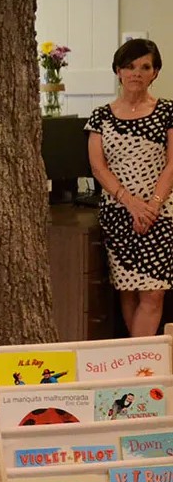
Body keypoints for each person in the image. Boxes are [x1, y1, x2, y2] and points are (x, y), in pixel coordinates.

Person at [86, 38, 173, 338]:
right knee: (129, 290)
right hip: (118, 213)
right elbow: (98, 168)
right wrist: (130, 203)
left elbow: (172, 165)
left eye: (145, 67)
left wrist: (152, 206)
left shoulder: (168, 111)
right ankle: (136, 357)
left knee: (154, 293)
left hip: (159, 214)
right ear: (118, 71)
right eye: (130, 66)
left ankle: (139, 360)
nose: (136, 73)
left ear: (155, 73)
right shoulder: (101, 116)